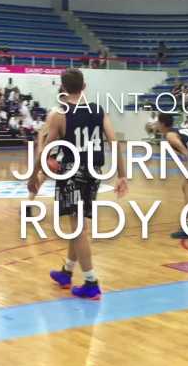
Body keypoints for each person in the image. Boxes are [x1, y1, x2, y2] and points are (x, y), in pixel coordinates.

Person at [33, 69, 127, 300]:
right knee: (80, 226)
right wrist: (122, 175)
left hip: (72, 173)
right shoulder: (98, 110)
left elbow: (45, 149)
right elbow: (115, 143)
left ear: (63, 88)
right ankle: (67, 271)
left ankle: (91, 282)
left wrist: (32, 175)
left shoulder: (60, 114)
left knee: (78, 228)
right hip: (94, 173)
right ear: (84, 86)